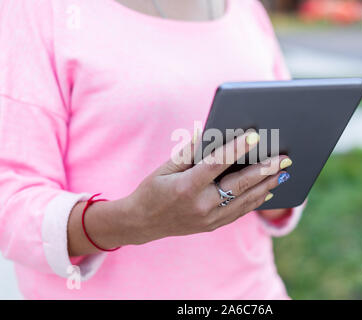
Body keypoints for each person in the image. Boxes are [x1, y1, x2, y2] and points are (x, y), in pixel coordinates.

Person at [0, 0, 305, 299]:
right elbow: (11, 199)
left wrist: (271, 182)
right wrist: (132, 221)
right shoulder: (38, 10)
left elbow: (287, 140)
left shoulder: (244, 9)